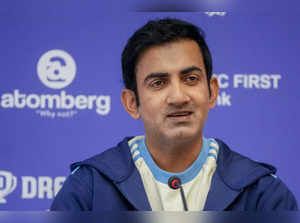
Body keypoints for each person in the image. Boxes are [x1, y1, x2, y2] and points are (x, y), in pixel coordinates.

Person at [50, 18, 298, 211]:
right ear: (132, 102)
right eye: (158, 83)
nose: (179, 97)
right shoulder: (88, 189)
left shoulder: (263, 193)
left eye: (191, 79)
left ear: (212, 92)